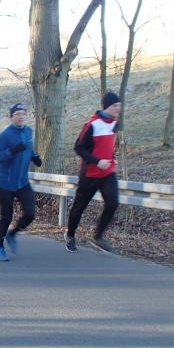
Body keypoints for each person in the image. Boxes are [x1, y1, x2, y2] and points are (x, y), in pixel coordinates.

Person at [64, 91, 122, 254]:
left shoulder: (114, 123)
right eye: (115, 105)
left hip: (108, 172)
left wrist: (111, 157)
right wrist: (97, 161)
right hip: (90, 174)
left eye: (119, 105)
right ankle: (70, 234)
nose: (118, 108)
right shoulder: (92, 125)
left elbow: (107, 146)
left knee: (113, 203)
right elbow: (78, 147)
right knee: (79, 207)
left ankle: (98, 236)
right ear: (107, 106)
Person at [0, 103, 42, 262]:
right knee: (6, 217)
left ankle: (12, 234)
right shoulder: (6, 134)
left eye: (23, 113)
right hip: (5, 182)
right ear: (11, 117)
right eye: (17, 114)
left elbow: (28, 148)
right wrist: (11, 151)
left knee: (30, 214)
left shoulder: (28, 131)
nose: (20, 116)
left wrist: (34, 156)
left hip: (22, 181)